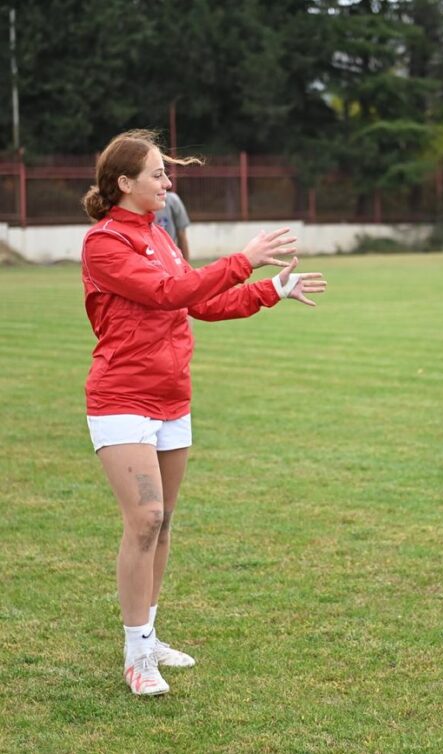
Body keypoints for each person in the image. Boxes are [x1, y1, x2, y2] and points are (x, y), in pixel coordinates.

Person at [80, 130, 326, 695]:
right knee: (143, 518)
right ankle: (136, 653)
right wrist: (243, 259)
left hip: (173, 398)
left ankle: (150, 636)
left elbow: (199, 300)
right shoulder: (104, 243)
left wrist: (273, 290)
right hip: (121, 397)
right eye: (158, 174)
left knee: (162, 521)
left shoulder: (161, 236)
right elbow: (168, 293)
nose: (168, 182)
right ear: (125, 183)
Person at [154, 190, 191, 260]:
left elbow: (182, 235)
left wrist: (186, 266)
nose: (168, 184)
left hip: (170, 258)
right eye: (156, 178)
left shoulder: (172, 200)